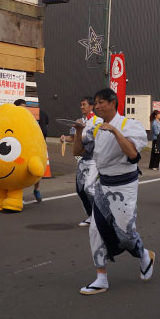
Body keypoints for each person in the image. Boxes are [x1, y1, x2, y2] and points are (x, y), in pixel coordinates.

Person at [73, 88, 155, 295]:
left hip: (125, 185)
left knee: (126, 235)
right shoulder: (96, 128)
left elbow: (133, 155)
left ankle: (144, 254)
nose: (97, 106)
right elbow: (79, 152)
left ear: (113, 103)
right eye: (96, 103)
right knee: (95, 229)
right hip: (103, 184)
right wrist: (79, 132)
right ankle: (101, 278)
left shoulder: (130, 125)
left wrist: (115, 131)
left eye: (101, 102)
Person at [59, 96, 103, 227]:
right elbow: (74, 138)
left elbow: (89, 137)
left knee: (89, 188)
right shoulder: (79, 121)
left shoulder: (98, 121)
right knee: (80, 189)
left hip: (94, 159)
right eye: (80, 104)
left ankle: (101, 214)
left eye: (84, 104)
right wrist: (65, 138)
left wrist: (79, 131)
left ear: (91, 106)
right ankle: (91, 215)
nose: (81, 107)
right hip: (82, 159)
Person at [14, 99, 43, 202]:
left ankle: (37, 189)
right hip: (18, 149)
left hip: (30, 148)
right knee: (19, 171)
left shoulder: (29, 118)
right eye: (22, 106)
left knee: (37, 168)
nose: (24, 108)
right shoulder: (13, 119)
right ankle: (17, 195)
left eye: (25, 106)